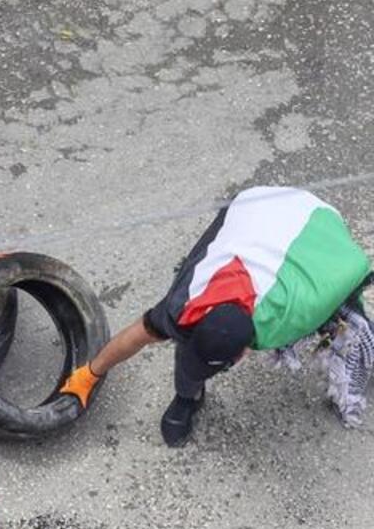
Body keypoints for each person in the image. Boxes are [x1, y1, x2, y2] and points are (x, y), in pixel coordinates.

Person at [60, 186, 372, 447]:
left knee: (350, 323)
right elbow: (137, 335)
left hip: (312, 220)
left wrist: (345, 319)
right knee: (186, 344)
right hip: (252, 205)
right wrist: (92, 372)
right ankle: (188, 397)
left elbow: (354, 267)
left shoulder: (299, 308)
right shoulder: (183, 305)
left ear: (243, 352)